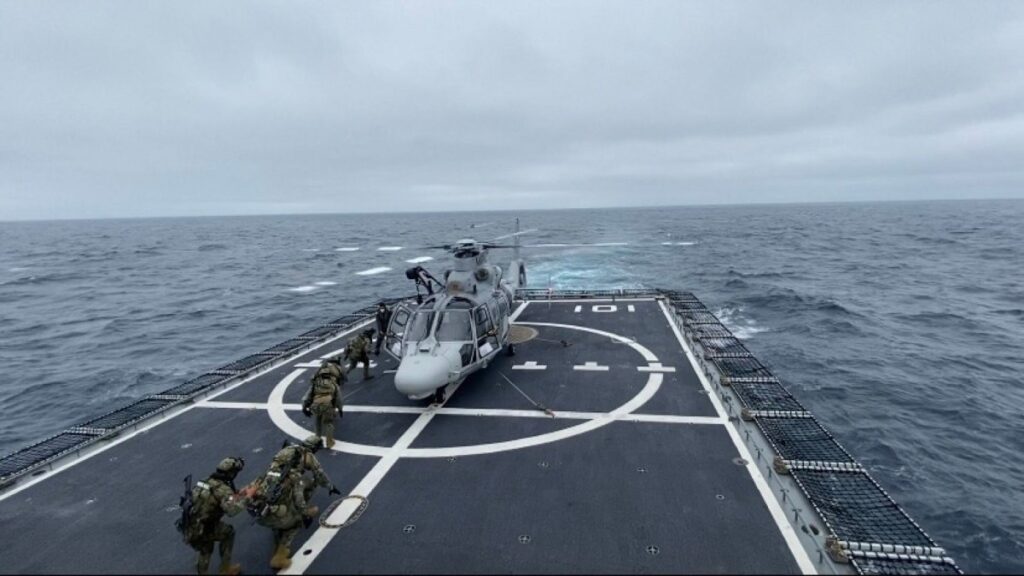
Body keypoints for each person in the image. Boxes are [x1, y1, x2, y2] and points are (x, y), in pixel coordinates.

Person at [251, 436, 339, 570]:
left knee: (281, 506)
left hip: (259, 510)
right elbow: (318, 475)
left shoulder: (287, 451)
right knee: (297, 521)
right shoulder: (304, 464)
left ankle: (278, 528)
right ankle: (280, 555)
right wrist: (330, 487)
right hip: (273, 512)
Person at [182, 457, 253, 575]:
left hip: (190, 525)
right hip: (206, 527)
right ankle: (226, 569)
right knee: (228, 533)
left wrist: (237, 494)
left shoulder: (205, 481)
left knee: (205, 549)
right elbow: (232, 511)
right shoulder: (223, 489)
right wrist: (248, 497)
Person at [302, 357, 344, 448]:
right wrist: (340, 409)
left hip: (315, 405)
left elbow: (307, 395)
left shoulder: (315, 383)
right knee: (328, 423)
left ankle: (317, 440)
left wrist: (304, 407)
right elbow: (339, 398)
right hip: (327, 405)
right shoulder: (333, 384)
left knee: (317, 422)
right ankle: (329, 443)